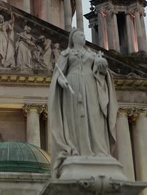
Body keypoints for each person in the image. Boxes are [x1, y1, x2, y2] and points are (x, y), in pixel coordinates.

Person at [48, 28, 118, 178]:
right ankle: (76, 149)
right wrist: (62, 81)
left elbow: (101, 73)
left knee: (95, 116)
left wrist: (102, 68)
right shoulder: (66, 54)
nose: (82, 36)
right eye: (79, 34)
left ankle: (99, 150)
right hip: (72, 87)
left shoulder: (92, 54)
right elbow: (58, 73)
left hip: (90, 85)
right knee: (75, 119)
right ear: (72, 38)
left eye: (83, 34)